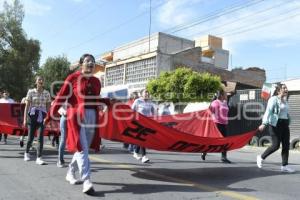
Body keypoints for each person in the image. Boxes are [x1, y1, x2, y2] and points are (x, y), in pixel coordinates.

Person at [45, 53, 104, 194]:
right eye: (88, 61)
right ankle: (87, 180)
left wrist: (102, 104)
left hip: (92, 116)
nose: (91, 63)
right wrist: (49, 116)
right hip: (76, 116)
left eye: (93, 61)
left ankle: (70, 171)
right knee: (82, 147)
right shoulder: (73, 78)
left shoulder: (97, 81)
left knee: (84, 148)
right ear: (81, 63)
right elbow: (60, 96)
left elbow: (96, 98)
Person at [257, 83, 295, 173]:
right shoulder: (273, 99)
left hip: (284, 125)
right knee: (276, 145)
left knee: (286, 145)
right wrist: (264, 123)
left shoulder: (285, 101)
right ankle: (261, 157)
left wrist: (288, 120)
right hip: (275, 124)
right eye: (284, 88)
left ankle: (284, 166)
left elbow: (286, 113)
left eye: (286, 88)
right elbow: (268, 111)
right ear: (279, 90)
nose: (286, 89)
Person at [23, 76, 51, 165]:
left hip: (42, 116)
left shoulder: (47, 93)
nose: (41, 81)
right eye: (39, 80)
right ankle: (26, 153)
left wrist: (47, 118)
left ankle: (39, 157)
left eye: (42, 80)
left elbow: (48, 107)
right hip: (32, 116)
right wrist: (24, 119)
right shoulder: (31, 92)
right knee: (30, 137)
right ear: (36, 82)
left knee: (40, 138)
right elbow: (27, 106)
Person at [201, 90, 232, 163]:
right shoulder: (215, 102)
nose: (226, 95)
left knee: (225, 141)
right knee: (212, 141)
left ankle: (223, 157)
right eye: (225, 94)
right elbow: (209, 111)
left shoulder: (225, 103)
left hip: (224, 124)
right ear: (221, 95)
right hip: (216, 124)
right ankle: (204, 151)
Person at [131, 89, 155, 163]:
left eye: (148, 92)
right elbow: (132, 110)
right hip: (139, 122)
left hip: (147, 123)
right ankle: (144, 156)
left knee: (141, 138)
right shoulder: (137, 101)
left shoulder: (150, 102)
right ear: (141, 94)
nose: (147, 93)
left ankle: (135, 152)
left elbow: (153, 112)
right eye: (145, 92)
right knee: (142, 138)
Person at [57, 101, 67, 168]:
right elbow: (57, 107)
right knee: (63, 139)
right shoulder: (64, 95)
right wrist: (64, 112)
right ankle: (60, 160)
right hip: (65, 117)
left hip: (75, 118)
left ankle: (79, 161)